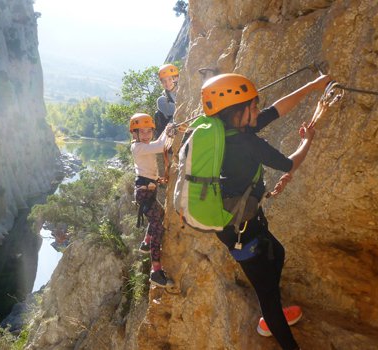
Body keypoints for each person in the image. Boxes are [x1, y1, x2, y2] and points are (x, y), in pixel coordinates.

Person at [200, 73, 331, 350]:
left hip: (238, 221)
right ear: (239, 111)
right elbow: (289, 164)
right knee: (267, 294)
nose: (258, 110)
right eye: (254, 106)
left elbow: (276, 110)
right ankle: (274, 324)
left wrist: (311, 87)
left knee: (277, 252)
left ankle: (273, 315)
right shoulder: (246, 143)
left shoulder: (225, 132)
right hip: (241, 229)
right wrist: (308, 139)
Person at [129, 113, 174, 288]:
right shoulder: (138, 147)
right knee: (157, 226)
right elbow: (161, 145)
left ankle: (146, 243)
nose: (147, 135)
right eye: (143, 132)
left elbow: (149, 166)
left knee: (159, 214)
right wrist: (169, 129)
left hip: (148, 188)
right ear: (135, 134)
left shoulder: (142, 146)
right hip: (144, 191)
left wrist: (156, 180)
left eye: (149, 131)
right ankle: (156, 270)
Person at [154, 64, 179, 136]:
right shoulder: (162, 100)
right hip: (170, 135)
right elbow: (178, 110)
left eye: (170, 79)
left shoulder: (183, 91)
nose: (167, 83)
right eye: (164, 81)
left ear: (176, 78)